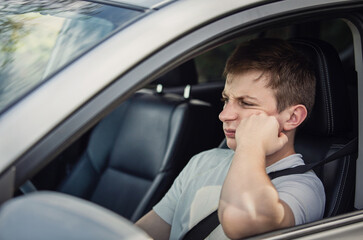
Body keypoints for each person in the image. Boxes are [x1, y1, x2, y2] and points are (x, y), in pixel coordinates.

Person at [135, 38, 325, 240]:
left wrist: (251, 145)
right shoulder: (204, 161)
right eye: (226, 100)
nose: (224, 115)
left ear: (292, 117)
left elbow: (241, 220)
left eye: (246, 103)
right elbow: (144, 233)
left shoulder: (303, 188)